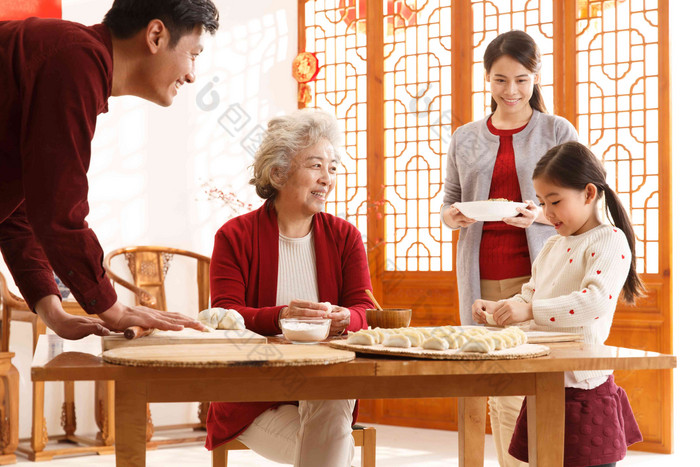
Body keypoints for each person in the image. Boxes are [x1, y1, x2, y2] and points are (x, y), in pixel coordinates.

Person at [0, 0, 220, 339]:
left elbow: (18, 210)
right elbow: (58, 212)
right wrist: (113, 308)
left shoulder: (73, 58)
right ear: (156, 35)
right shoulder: (74, 59)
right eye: (194, 54)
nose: (192, 75)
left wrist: (53, 311)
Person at [205, 109, 373, 466]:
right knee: (334, 445)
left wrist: (347, 317)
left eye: (333, 168)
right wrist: (281, 317)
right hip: (253, 396)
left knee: (330, 402)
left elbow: (366, 309)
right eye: (315, 165)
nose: (327, 178)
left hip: (328, 384)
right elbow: (225, 317)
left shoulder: (346, 237)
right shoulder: (234, 237)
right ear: (278, 172)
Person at [441, 30, 578, 466]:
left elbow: (579, 204)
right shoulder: (465, 136)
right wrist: (454, 216)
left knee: (530, 380)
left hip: (538, 274)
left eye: (521, 79)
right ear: (487, 78)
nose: (511, 91)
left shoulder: (557, 130)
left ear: (535, 77)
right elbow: (449, 202)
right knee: (496, 383)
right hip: (479, 274)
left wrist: (536, 215)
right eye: (500, 80)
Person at [473, 141, 644, 467]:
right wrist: (498, 310)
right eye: (541, 202)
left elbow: (593, 303)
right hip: (543, 381)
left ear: (589, 193)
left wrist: (530, 310)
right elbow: (529, 296)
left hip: (581, 388)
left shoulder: (609, 240)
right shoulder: (553, 245)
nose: (546, 213)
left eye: (555, 201)